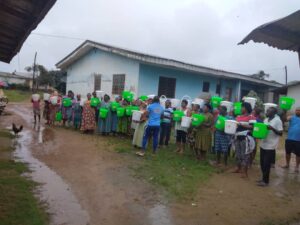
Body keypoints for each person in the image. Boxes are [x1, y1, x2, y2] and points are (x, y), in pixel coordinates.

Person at [257, 107, 283, 186]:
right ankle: (263, 178)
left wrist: (272, 128)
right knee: (262, 163)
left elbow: (281, 133)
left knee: (266, 163)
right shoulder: (265, 120)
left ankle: (265, 181)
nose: (266, 112)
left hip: (271, 145)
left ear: (274, 112)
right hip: (263, 143)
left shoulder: (277, 121)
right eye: (267, 110)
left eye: (268, 111)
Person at [233, 102, 256, 178]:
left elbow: (252, 127)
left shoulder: (251, 117)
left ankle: (244, 172)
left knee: (245, 155)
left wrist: (242, 124)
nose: (240, 109)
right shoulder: (238, 116)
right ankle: (238, 168)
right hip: (238, 137)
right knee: (238, 154)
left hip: (246, 138)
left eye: (242, 107)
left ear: (245, 108)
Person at [282, 107, 300, 173]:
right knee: (287, 152)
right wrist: (284, 112)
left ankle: (297, 167)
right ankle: (287, 164)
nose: (297, 111)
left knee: (298, 154)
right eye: (296, 110)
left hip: (298, 140)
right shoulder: (291, 117)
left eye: (299, 110)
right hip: (289, 138)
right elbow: (285, 119)